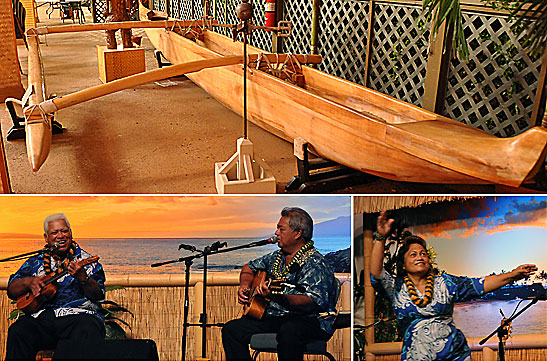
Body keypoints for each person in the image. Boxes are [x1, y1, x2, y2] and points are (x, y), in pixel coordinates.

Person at [370, 211, 538, 361]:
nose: (420, 257)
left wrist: (512, 275)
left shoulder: (445, 283)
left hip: (455, 354)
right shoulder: (396, 288)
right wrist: (380, 237)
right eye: (413, 255)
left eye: (423, 254)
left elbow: (480, 284)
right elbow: (376, 273)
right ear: (404, 265)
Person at [222, 207, 338, 361]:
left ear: (297, 233)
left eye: (281, 229)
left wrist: (278, 297)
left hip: (311, 320)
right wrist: (245, 286)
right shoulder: (276, 257)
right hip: (275, 318)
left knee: (290, 330)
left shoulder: (316, 264)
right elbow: (249, 268)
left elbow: (312, 303)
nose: (276, 233)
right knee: (232, 330)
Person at [6, 213, 106, 360]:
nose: (61, 236)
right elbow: (11, 290)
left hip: (79, 317)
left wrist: (83, 278)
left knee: (87, 329)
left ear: (70, 233)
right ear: (46, 238)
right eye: (54, 232)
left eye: (64, 231)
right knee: (19, 330)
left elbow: (99, 294)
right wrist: (28, 282)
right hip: (43, 319)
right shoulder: (35, 261)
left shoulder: (86, 260)